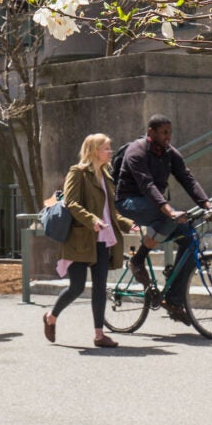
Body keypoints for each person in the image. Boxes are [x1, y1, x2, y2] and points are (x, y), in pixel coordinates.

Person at [115, 114, 212, 324]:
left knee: (190, 241)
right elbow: (147, 185)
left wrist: (208, 206)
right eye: (164, 132)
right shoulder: (136, 151)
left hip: (154, 203)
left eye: (169, 132)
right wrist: (169, 210)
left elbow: (188, 179)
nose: (168, 136)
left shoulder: (170, 153)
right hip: (129, 202)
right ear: (151, 132)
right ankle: (138, 260)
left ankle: (173, 299)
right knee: (169, 217)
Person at [43, 133, 135, 348]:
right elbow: (72, 203)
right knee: (76, 287)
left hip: (102, 239)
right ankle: (51, 317)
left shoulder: (107, 176)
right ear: (94, 151)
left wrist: (128, 223)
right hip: (80, 239)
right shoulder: (78, 172)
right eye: (106, 148)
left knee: (100, 287)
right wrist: (92, 220)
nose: (110, 152)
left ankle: (99, 335)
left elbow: (110, 211)